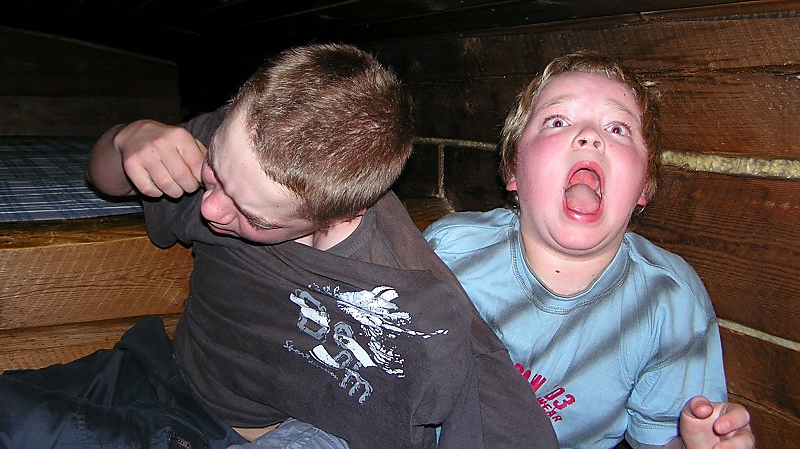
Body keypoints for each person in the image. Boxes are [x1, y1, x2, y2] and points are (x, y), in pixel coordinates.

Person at [0, 43, 558, 449]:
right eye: (216, 173)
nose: (211, 209)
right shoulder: (241, 145)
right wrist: (130, 138)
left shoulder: (404, 294)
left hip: (206, 433)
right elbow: (104, 179)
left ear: (342, 214)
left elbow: (498, 407)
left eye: (251, 216)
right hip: (145, 368)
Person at [424, 52, 756, 449]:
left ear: (644, 186)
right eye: (557, 121)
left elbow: (665, 439)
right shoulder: (450, 252)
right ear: (513, 169)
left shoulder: (669, 300)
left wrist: (694, 444)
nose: (589, 136)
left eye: (617, 128)